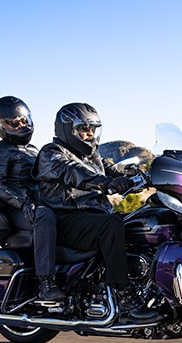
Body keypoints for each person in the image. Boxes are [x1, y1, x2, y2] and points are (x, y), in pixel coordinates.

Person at [33, 102, 157, 324]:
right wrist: (106, 183)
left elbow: (111, 169)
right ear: (67, 129)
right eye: (84, 128)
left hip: (90, 218)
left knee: (142, 223)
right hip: (66, 219)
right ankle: (125, 299)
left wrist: (140, 174)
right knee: (112, 225)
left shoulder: (93, 155)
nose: (89, 133)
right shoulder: (51, 154)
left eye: (93, 128)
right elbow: (75, 172)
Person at [0, 95, 65, 303]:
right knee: (45, 216)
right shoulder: (1, 151)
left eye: (24, 120)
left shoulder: (33, 150)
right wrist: (22, 203)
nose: (21, 126)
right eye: (14, 123)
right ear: (0, 125)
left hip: (37, 203)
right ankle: (46, 282)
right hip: (17, 208)